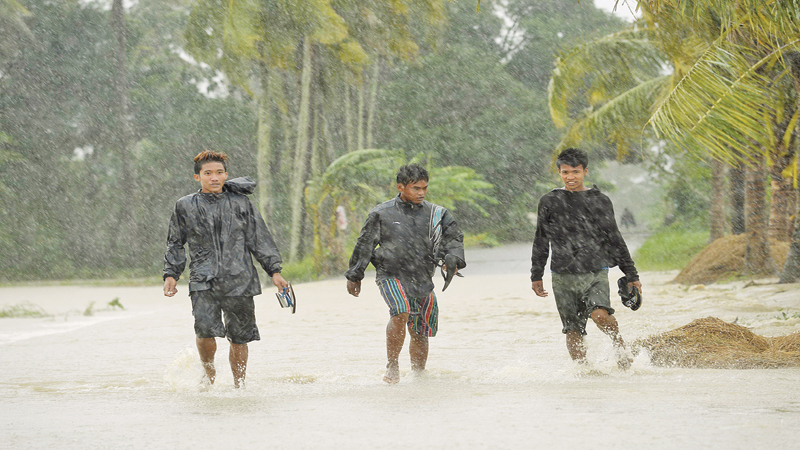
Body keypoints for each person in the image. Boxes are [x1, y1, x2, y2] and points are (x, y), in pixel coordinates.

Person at [163, 150, 288, 388]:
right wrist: (171, 274)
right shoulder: (184, 206)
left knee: (240, 336)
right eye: (208, 173)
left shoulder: (242, 203)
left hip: (240, 278)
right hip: (202, 278)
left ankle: (239, 385)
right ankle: (208, 373)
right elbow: (175, 242)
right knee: (204, 331)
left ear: (226, 175)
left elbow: (259, 238)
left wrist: (275, 271)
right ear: (197, 177)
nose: (214, 177)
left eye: (219, 172)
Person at [345, 164, 466, 384]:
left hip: (422, 276)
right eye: (415, 188)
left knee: (420, 330)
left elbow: (454, 239)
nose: (421, 192)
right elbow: (364, 245)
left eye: (424, 188)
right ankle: (392, 365)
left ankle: (419, 376)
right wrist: (355, 275)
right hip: (390, 274)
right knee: (400, 312)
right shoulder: (381, 213)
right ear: (400, 187)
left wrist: (453, 260)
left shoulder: (437, 214)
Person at [530, 148, 642, 369]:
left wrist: (631, 274)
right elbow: (541, 239)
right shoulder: (549, 201)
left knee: (600, 315)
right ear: (559, 173)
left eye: (575, 171)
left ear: (585, 171)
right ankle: (585, 375)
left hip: (595, 270)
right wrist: (536, 274)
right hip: (562, 274)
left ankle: (619, 345)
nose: (570, 177)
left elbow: (614, 238)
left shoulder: (599, 200)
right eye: (565, 172)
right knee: (572, 329)